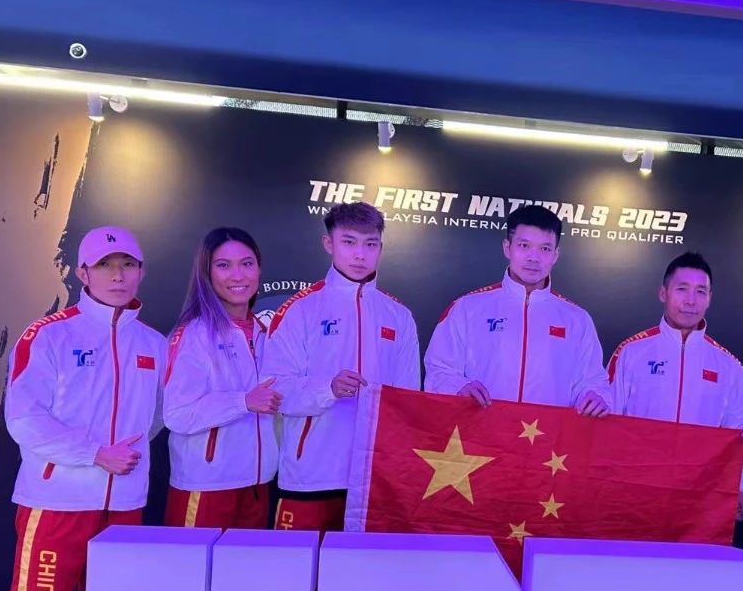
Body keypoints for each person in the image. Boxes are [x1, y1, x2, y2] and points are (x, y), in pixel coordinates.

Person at [2, 226, 166, 591]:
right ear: (83, 273)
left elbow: (156, 418)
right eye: (106, 265)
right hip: (54, 505)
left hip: (123, 508)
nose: (118, 275)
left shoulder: (154, 344)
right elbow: (24, 418)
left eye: (129, 265)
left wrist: (122, 460)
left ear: (141, 272)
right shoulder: (47, 335)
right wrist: (94, 454)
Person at [262, 202, 420, 534]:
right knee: (300, 567)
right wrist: (327, 389)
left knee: (362, 567)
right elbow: (275, 389)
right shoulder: (300, 309)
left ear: (381, 248)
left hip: (374, 480)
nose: (360, 254)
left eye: (370, 244)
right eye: (349, 242)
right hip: (311, 475)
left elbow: (408, 400)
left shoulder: (399, 315)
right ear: (328, 243)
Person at [608, 251, 743, 519]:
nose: (691, 301)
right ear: (663, 293)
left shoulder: (727, 365)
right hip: (634, 494)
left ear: (710, 298)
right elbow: (607, 424)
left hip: (699, 501)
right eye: (682, 289)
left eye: (700, 291)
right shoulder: (631, 352)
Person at [424, 204, 609, 415]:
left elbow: (593, 382)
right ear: (507, 248)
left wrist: (596, 397)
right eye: (524, 245)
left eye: (545, 249)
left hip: (548, 434)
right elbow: (438, 369)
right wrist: (458, 386)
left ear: (555, 255)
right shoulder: (467, 308)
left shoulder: (577, 320)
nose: (534, 257)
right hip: (479, 432)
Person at [163, 227, 280, 529]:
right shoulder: (195, 334)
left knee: (245, 563)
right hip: (206, 487)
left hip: (258, 484)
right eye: (224, 265)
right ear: (207, 273)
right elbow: (177, 414)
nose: (238, 275)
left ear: (259, 269)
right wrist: (243, 402)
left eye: (247, 263)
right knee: (194, 563)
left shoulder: (269, 333)